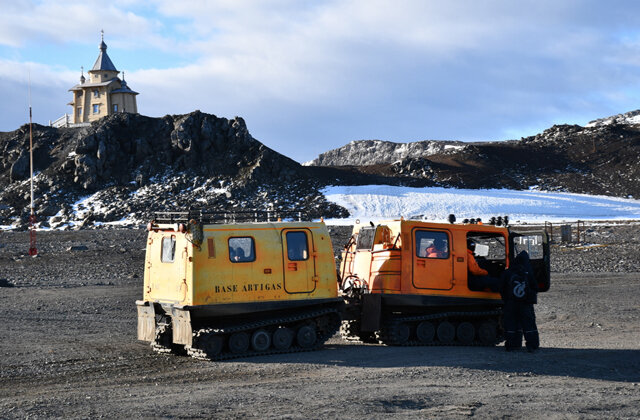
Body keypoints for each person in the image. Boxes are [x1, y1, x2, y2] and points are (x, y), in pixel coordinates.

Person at [501, 250, 539, 352]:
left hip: (510, 303)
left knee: (511, 324)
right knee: (528, 324)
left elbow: (501, 287)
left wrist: (506, 299)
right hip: (525, 303)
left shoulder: (507, 272)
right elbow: (535, 287)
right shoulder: (527, 273)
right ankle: (532, 345)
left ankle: (511, 345)